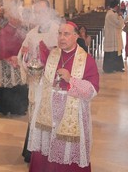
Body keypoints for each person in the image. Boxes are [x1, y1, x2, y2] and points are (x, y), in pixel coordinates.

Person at [27, 21, 99, 172]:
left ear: (75, 36)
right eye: (59, 33)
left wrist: (70, 79)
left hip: (71, 114)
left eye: (66, 34)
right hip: (49, 113)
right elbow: (41, 78)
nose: (61, 37)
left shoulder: (86, 59)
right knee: (45, 153)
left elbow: (92, 90)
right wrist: (32, 63)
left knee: (67, 157)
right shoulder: (53, 54)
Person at [19, 0, 60, 163]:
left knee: (51, 116)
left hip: (53, 84)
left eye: (41, 11)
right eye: (36, 12)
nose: (38, 15)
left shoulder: (58, 31)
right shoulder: (32, 33)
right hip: (36, 83)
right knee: (35, 115)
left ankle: (51, 152)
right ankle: (34, 152)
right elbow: (22, 54)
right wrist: (26, 57)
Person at [0, 7, 28, 116]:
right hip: (9, 63)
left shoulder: (18, 29)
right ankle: (8, 108)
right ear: (12, 19)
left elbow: (23, 43)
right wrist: (10, 59)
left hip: (18, 61)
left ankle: (18, 108)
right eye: (17, 18)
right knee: (9, 85)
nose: (20, 20)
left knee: (19, 84)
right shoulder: (5, 30)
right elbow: (1, 47)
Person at [103, 0, 125, 73]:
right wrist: (121, 17)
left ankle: (117, 67)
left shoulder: (112, 13)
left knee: (116, 52)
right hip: (111, 36)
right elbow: (119, 24)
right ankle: (109, 68)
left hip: (115, 35)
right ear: (116, 6)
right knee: (112, 52)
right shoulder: (111, 14)